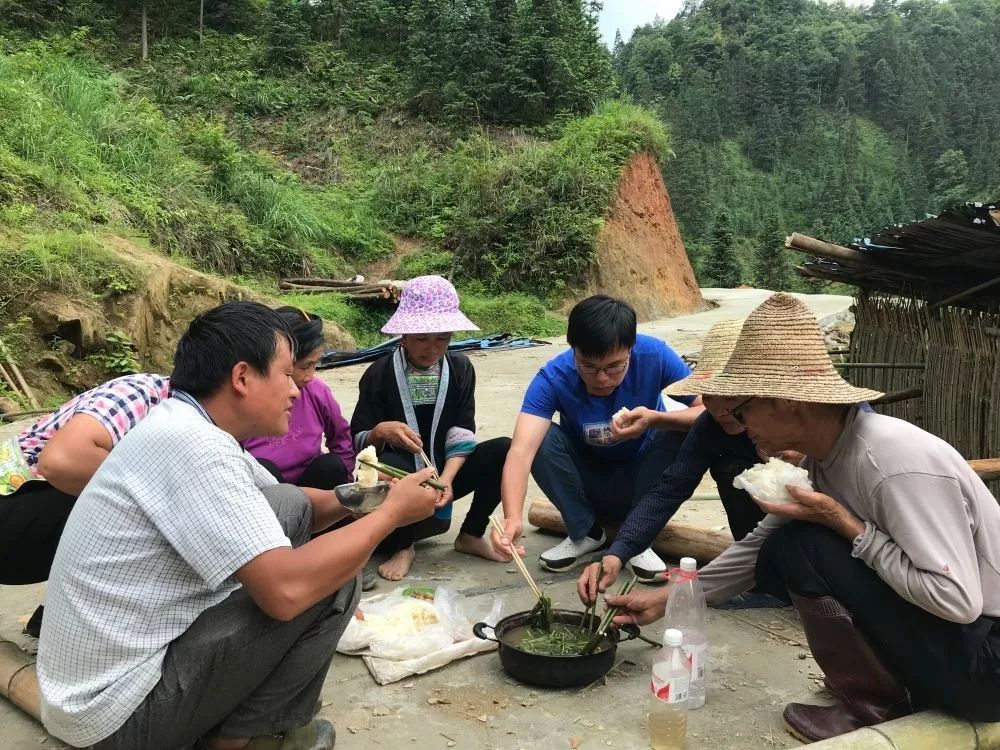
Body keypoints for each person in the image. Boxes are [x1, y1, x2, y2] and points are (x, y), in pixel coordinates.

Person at [38, 301, 440, 750]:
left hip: (96, 693)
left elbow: (299, 504)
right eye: (288, 374)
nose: (297, 390)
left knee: (285, 501)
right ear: (243, 377)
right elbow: (286, 593)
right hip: (117, 719)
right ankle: (243, 739)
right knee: (331, 583)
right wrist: (391, 517)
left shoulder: (187, 424)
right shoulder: (196, 448)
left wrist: (370, 498)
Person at [603, 293, 1000, 741]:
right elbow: (760, 540)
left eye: (744, 409)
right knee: (787, 540)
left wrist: (846, 524)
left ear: (788, 402)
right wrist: (673, 598)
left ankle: (879, 705)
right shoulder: (826, 456)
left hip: (988, 666)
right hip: (966, 644)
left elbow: (956, 600)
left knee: (803, 546)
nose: (738, 422)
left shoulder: (890, 461)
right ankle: (896, 683)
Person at [491, 294, 703, 580]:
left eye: (614, 366)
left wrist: (656, 418)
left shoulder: (656, 356)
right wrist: (513, 517)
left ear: (631, 348)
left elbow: (706, 411)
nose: (602, 378)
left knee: (681, 432)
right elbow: (520, 452)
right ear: (573, 350)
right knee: (540, 437)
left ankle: (638, 537)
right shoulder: (554, 376)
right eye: (588, 366)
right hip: (587, 483)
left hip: (644, 478)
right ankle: (585, 533)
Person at [576, 319, 766, 602]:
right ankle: (765, 577)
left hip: (835, 545)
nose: (721, 408)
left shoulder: (821, 422)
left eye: (733, 396)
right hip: (765, 540)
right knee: (734, 470)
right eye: (711, 395)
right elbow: (669, 490)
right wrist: (617, 553)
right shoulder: (710, 424)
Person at [351, 275, 512, 581]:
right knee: (385, 466)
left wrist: (447, 479)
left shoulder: (461, 369)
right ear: (404, 334)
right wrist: (380, 432)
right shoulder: (379, 373)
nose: (431, 348)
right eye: (421, 338)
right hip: (400, 476)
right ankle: (403, 545)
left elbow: (462, 429)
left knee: (505, 449)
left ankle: (470, 535)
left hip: (445, 469)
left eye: (442, 338)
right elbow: (360, 440)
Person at [0, 373, 172, 636]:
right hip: (12, 507)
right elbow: (60, 461)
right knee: (148, 509)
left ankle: (63, 619)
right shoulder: (143, 393)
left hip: (31, 511)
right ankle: (83, 625)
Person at [245, 307, 354, 490]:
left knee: (332, 466)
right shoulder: (249, 398)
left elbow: (342, 438)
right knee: (263, 469)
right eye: (304, 367)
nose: (310, 376)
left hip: (312, 486)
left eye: (315, 365)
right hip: (269, 492)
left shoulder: (316, 390)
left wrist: (348, 482)